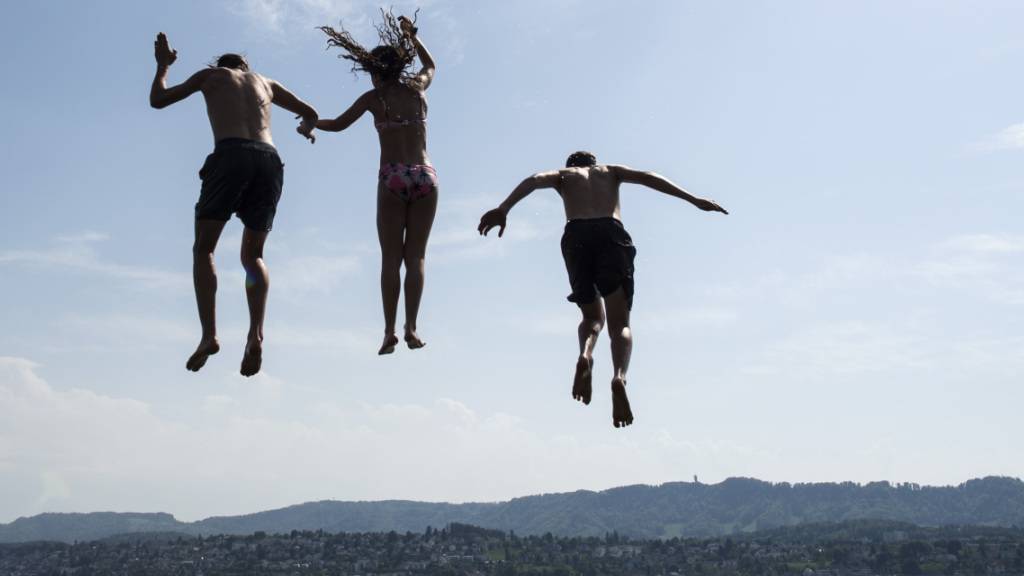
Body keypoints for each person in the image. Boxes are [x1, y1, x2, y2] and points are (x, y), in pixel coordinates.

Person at [478, 151, 728, 428]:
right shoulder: (611, 171)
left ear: (570, 166)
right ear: (593, 165)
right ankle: (619, 376)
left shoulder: (563, 176)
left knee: (591, 317)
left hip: (576, 236)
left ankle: (585, 355)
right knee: (620, 323)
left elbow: (534, 179)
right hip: (611, 232)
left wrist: (504, 208)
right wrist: (694, 199)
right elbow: (648, 177)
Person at [149, 32, 319, 376]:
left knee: (204, 249)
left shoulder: (211, 76)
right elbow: (310, 112)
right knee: (254, 255)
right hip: (269, 160)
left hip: (231, 156)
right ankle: (256, 334)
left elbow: (158, 100)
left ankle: (209, 335)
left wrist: (163, 66)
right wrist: (305, 127)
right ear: (246, 68)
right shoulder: (266, 82)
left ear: (220, 66)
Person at [315, 12, 437, 355]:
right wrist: (412, 36)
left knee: (390, 259)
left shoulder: (374, 99)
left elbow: (338, 124)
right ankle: (411, 327)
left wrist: (311, 123)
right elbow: (431, 65)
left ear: (372, 69)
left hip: (393, 177)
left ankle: (388, 331)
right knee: (416, 258)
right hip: (425, 175)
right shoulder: (416, 89)